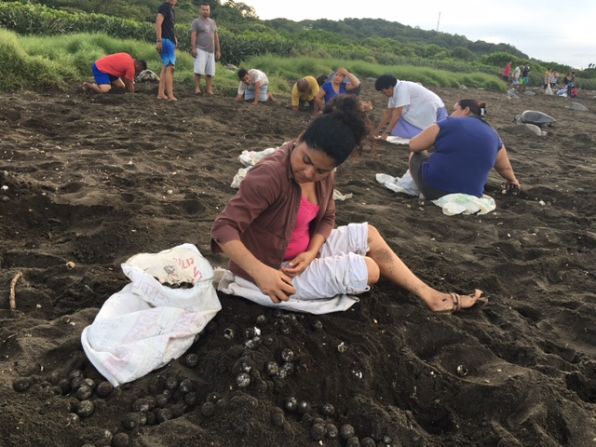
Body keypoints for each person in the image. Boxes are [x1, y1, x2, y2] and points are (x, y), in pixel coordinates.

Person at [211, 95, 484, 313]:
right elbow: (224, 229)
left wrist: (312, 251)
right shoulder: (269, 176)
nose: (309, 173)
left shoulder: (326, 176)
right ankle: (268, 275)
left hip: (300, 256)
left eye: (320, 170)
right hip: (271, 269)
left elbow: (327, 218)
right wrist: (262, 273)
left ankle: (431, 295)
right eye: (305, 160)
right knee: (370, 269)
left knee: (369, 234)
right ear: (301, 138)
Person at [408, 99, 520, 200]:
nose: (450, 115)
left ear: (466, 110)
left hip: (436, 190)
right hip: (472, 195)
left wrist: (430, 145)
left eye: (454, 110)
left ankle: (421, 189)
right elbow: (505, 168)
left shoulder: (448, 123)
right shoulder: (494, 134)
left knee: (416, 154)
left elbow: (414, 145)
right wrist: (513, 181)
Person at [374, 75, 447, 139]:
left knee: (398, 119)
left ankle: (425, 136)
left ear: (390, 87)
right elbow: (388, 113)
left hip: (432, 108)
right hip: (425, 107)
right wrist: (377, 131)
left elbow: (397, 113)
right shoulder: (395, 90)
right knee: (397, 121)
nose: (383, 94)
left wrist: (387, 133)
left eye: (383, 92)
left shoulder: (402, 89)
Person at [191, 3, 220, 95]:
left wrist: (218, 50)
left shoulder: (212, 22)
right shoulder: (196, 22)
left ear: (209, 11)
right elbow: (193, 35)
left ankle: (209, 89)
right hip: (200, 49)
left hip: (211, 51)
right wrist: (193, 48)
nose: (205, 11)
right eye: (204, 9)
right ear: (200, 10)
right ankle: (197, 88)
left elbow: (216, 37)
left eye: (207, 10)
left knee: (210, 72)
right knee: (198, 71)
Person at [82, 53, 146, 94]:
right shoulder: (131, 68)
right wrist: (133, 94)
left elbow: (125, 80)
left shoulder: (128, 56)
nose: (139, 72)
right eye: (140, 70)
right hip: (100, 68)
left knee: (121, 86)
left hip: (110, 71)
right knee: (105, 90)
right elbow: (129, 84)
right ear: (138, 66)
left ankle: (103, 83)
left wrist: (128, 87)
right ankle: (88, 85)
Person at [155, 0, 177, 101]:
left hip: (170, 40)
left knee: (165, 67)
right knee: (170, 68)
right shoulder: (164, 7)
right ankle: (170, 95)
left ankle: (161, 93)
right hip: (166, 40)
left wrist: (175, 38)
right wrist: (159, 40)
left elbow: (169, 26)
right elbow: (158, 23)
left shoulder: (171, 9)